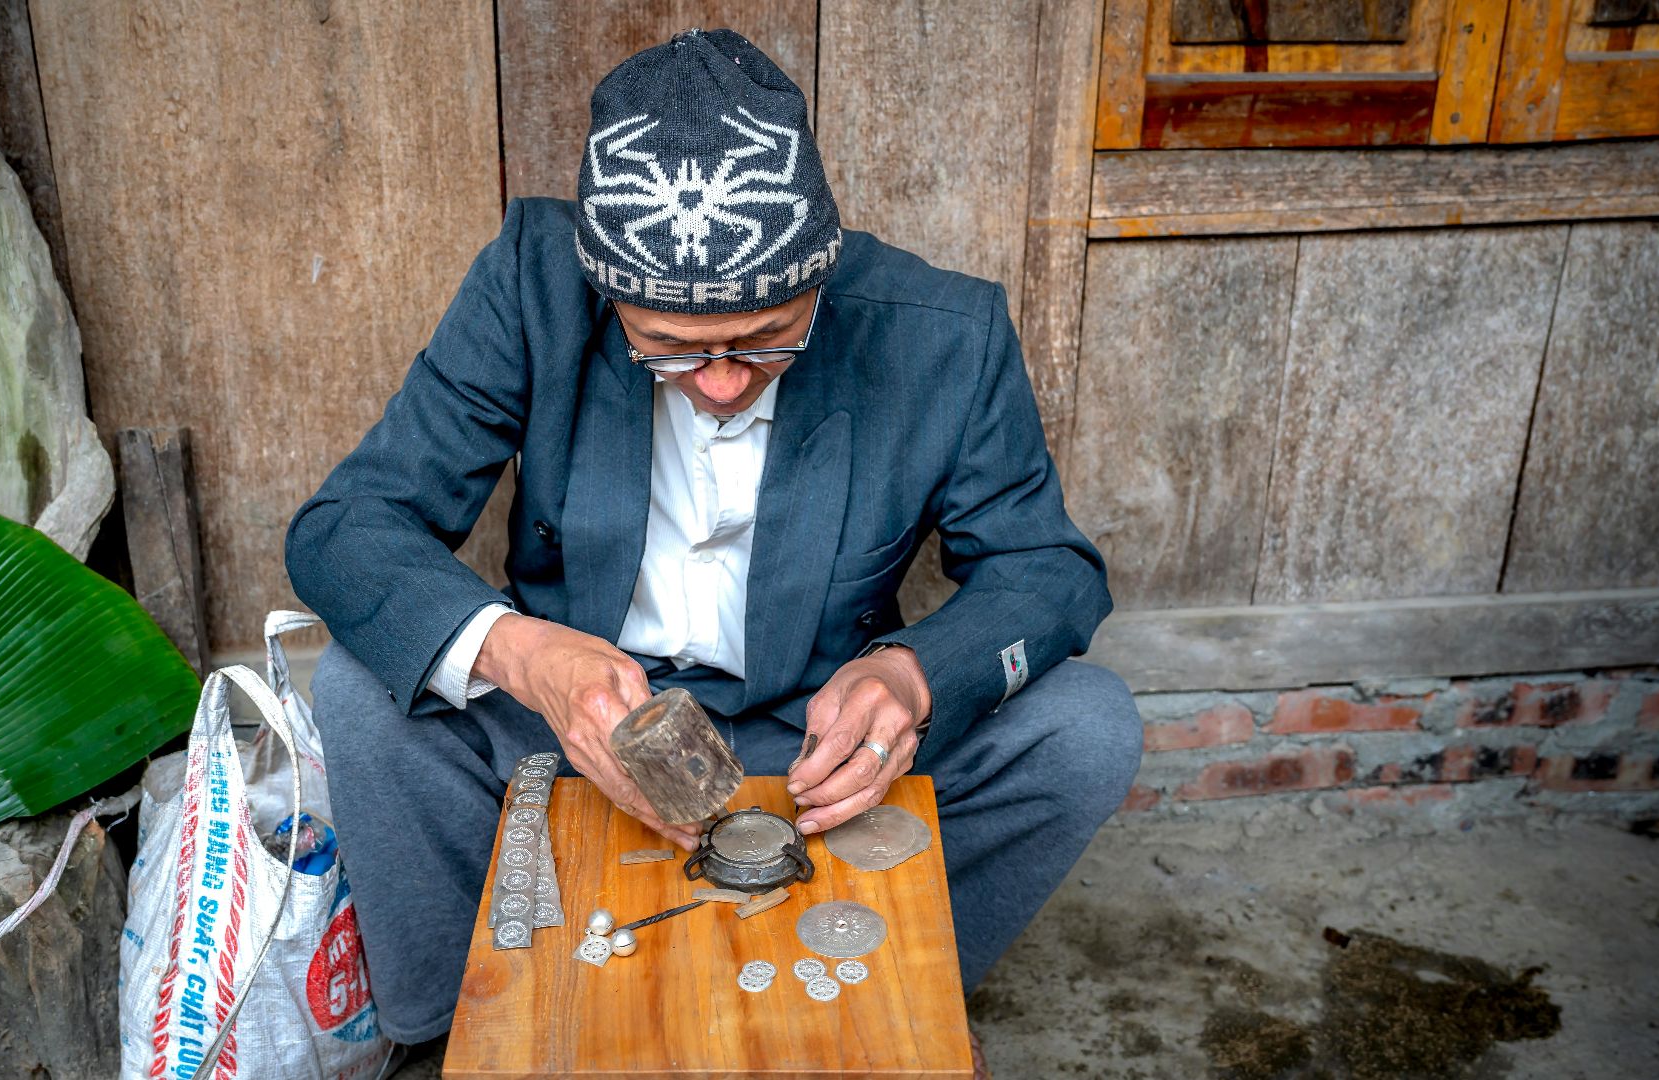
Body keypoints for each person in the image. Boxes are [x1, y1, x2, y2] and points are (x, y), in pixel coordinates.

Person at [286, 27, 1142, 1070]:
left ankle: (879, 995)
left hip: (807, 736)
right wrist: (526, 656)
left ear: (819, 279)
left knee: (1086, 727)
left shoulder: (940, 335)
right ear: (610, 297)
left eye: (769, 337)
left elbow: (1046, 570)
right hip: (580, 727)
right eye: (673, 352)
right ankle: (441, 1036)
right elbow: (346, 527)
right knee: (362, 691)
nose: (727, 381)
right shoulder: (532, 285)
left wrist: (913, 678)